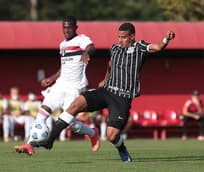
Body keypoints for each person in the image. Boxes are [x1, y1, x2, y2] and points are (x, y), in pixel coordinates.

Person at [34, 22, 175, 162]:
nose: (120, 40)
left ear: (132, 37)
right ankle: (50, 141)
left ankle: (122, 149)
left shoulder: (140, 47)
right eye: (118, 37)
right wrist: (105, 79)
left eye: (124, 37)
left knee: (112, 136)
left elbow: (158, 47)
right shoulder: (115, 48)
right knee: (75, 105)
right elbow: (110, 64)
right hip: (106, 91)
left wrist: (166, 39)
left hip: (122, 98)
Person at [14, 16, 99, 155]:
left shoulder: (81, 39)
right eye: (64, 28)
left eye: (70, 27)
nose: (67, 30)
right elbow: (63, 68)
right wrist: (52, 79)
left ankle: (92, 132)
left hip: (74, 89)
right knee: (42, 112)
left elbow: (92, 48)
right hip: (59, 86)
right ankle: (30, 144)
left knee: (70, 124)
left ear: (75, 27)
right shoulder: (62, 45)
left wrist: (86, 52)